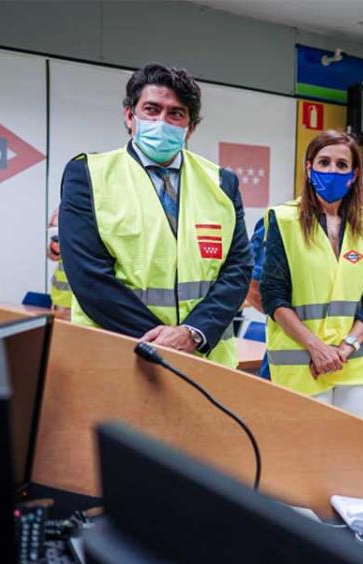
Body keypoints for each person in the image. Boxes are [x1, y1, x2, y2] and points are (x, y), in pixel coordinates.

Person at [60, 63, 250, 367]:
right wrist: (163, 344)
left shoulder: (221, 182)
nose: (162, 121)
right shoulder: (88, 175)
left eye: (176, 113)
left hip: (206, 359)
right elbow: (89, 277)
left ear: (190, 126)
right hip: (120, 356)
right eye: (151, 109)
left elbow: (238, 269)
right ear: (129, 117)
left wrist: (191, 334)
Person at [257, 130, 363, 417]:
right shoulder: (283, 219)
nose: (332, 171)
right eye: (324, 162)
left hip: (358, 359)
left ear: (354, 175)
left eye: (342, 165)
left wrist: (346, 347)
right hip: (303, 360)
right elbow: (273, 296)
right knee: (309, 454)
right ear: (309, 168)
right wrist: (317, 348)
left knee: (352, 451)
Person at [45, 207, 72, 319]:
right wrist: (54, 248)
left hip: (78, 304)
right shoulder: (63, 210)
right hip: (58, 301)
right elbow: (51, 255)